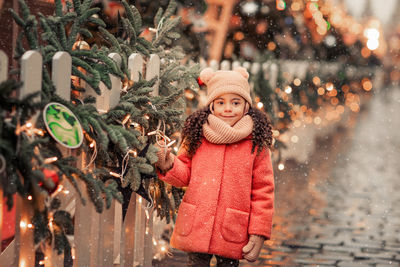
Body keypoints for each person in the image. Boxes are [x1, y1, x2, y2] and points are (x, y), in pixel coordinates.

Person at [155, 66, 274, 266]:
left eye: (235, 102)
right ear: (211, 106)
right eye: (221, 102)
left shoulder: (256, 143)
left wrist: (258, 233)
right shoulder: (197, 135)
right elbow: (185, 174)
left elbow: (263, 191)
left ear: (246, 106)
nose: (228, 108)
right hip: (198, 224)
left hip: (232, 227)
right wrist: (169, 165)